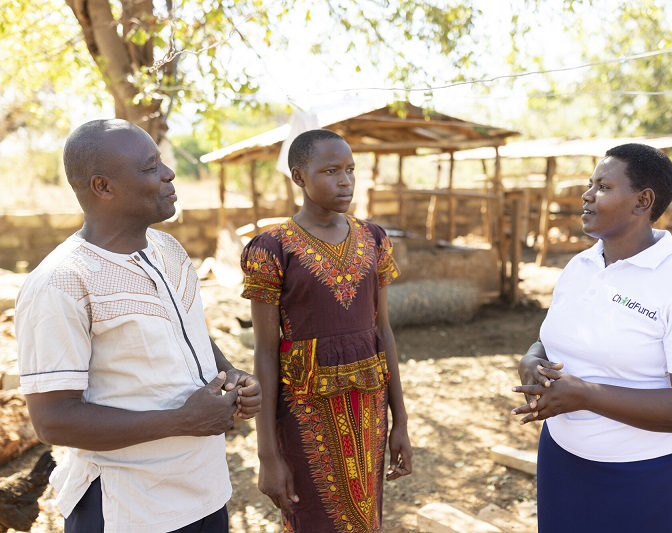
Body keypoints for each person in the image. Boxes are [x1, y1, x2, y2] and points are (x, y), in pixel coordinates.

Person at [16, 119, 262, 532]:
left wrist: (230, 376)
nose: (168, 173)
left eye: (162, 162)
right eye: (150, 167)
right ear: (103, 187)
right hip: (129, 508)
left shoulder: (169, 250)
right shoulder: (61, 283)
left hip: (206, 491)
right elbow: (53, 420)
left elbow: (188, 335)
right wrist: (181, 421)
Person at [512, 143, 672, 533]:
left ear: (643, 201)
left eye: (604, 187)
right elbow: (554, 335)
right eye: (590, 184)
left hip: (647, 479)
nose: (587, 194)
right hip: (564, 462)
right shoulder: (582, 265)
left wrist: (586, 394)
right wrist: (532, 356)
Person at [241, 129, 412, 532]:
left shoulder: (373, 238)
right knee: (313, 519)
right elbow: (265, 352)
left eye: (350, 169)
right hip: (305, 413)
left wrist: (400, 419)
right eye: (331, 170)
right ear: (299, 177)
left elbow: (382, 330)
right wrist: (267, 453)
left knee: (366, 518)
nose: (345, 180)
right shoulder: (271, 248)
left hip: (369, 409)